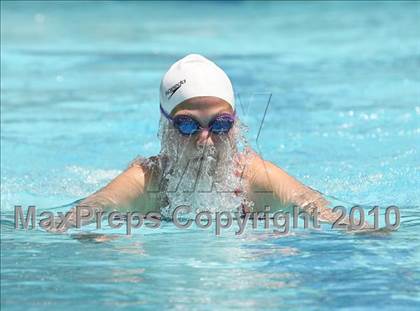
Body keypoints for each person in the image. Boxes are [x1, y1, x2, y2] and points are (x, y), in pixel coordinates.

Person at [52, 54, 348, 232]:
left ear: (235, 127)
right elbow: (69, 220)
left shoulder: (255, 178)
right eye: (188, 125)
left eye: (220, 125)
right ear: (166, 128)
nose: (205, 140)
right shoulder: (147, 182)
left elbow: (330, 216)